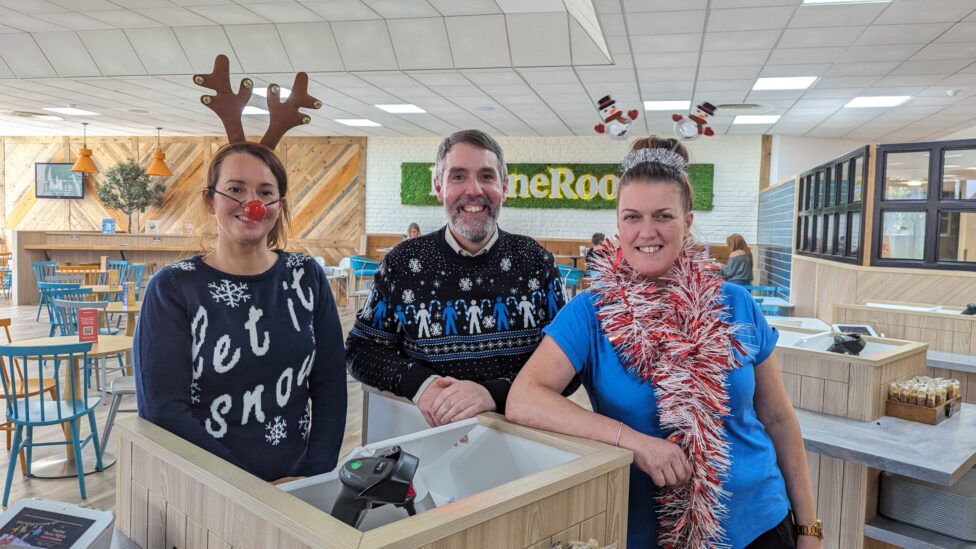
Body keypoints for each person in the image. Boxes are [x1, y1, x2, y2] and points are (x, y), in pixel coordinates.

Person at [506, 136, 820, 549]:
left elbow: (778, 419)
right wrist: (634, 442)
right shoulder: (590, 313)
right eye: (632, 217)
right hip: (651, 532)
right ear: (618, 225)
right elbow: (524, 398)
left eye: (663, 216)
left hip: (761, 523)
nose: (646, 232)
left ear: (687, 222)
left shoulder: (735, 303)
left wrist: (808, 528)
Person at [134, 142, 347, 483]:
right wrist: (250, 489)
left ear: (279, 205)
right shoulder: (173, 288)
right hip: (207, 485)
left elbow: (330, 382)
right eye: (235, 189)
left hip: (296, 483)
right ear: (210, 200)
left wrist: (315, 475)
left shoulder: (306, 276)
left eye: (265, 192)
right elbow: (163, 411)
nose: (252, 204)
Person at [346, 129, 574, 427]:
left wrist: (494, 393)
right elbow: (361, 350)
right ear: (439, 187)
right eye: (458, 176)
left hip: (525, 439)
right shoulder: (401, 264)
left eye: (487, 176)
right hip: (426, 437)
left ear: (504, 188)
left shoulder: (537, 263)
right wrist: (421, 385)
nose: (474, 190)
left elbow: (570, 363)